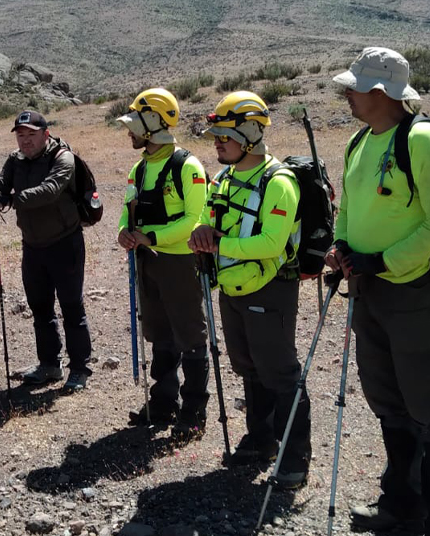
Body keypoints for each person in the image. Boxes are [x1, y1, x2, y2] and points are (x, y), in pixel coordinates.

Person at [326, 47, 430, 535]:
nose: (347, 94)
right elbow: (347, 206)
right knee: (389, 400)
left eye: (354, 87)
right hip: (369, 290)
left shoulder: (421, 139)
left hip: (413, 292)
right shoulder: (358, 141)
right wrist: (342, 247)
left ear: (382, 92)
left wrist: (383, 261)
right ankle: (403, 507)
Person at [188, 91, 310, 489]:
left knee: (280, 372)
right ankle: (261, 441)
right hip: (232, 289)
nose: (217, 141)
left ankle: (294, 460)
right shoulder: (223, 179)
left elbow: (273, 244)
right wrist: (200, 233)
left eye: (225, 134)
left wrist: (218, 243)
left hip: (269, 290)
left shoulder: (280, 182)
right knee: (249, 367)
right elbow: (205, 221)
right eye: (216, 135)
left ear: (252, 133)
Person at [115, 88, 209, 438]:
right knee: (160, 334)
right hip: (147, 262)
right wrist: (126, 232)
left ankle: (194, 412)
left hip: (180, 264)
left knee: (190, 336)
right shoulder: (139, 169)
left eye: (135, 125)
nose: (130, 132)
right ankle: (164, 401)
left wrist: (149, 237)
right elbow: (129, 211)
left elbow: (194, 221)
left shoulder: (188, 166)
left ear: (154, 124)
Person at [0, 110, 92, 393]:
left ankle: (80, 369)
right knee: (40, 308)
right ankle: (49, 365)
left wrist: (6, 200)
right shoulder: (15, 160)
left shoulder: (62, 158)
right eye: (20, 135)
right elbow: (1, 182)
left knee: (71, 307)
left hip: (65, 242)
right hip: (33, 245)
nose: (25, 141)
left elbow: (50, 190)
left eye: (31, 134)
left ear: (45, 134)